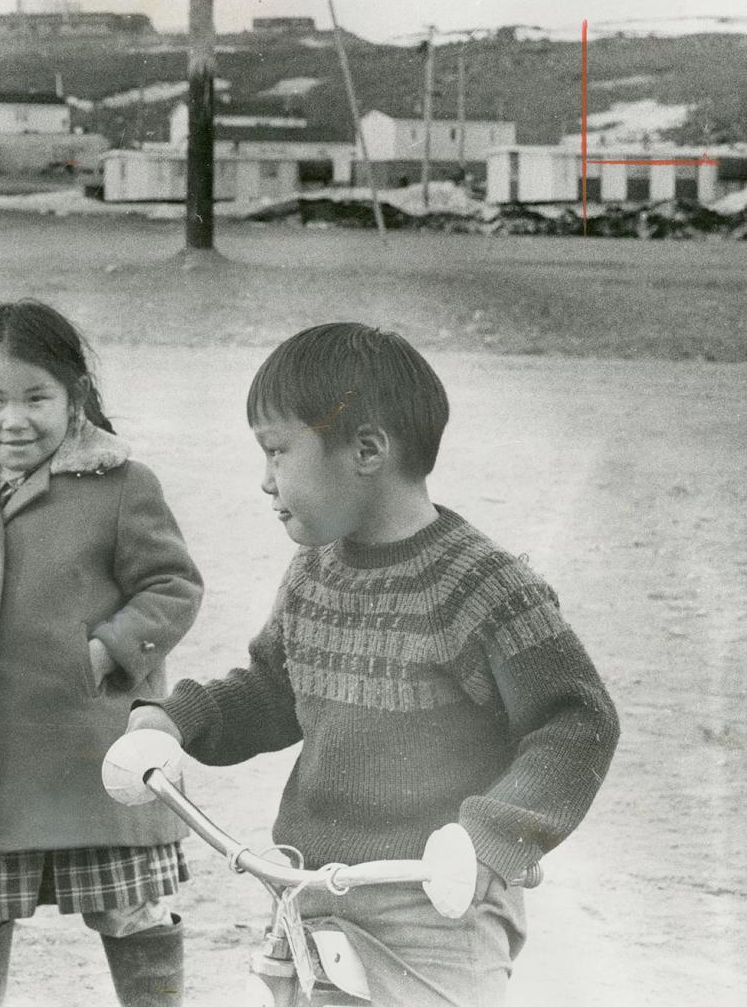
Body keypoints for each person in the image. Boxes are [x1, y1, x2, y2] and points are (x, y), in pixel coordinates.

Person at [126, 322, 621, 1007]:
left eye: (276, 453)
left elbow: (576, 723)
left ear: (365, 449)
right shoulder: (313, 572)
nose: (264, 482)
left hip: (435, 907)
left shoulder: (480, 584)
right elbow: (276, 690)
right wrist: (173, 720)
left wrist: (490, 840)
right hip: (312, 892)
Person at [0, 299, 203, 1007]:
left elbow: (172, 584)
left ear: (74, 398)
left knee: (132, 914)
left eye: (37, 398)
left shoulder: (122, 483)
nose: (15, 420)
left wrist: (111, 647)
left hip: (91, 750)